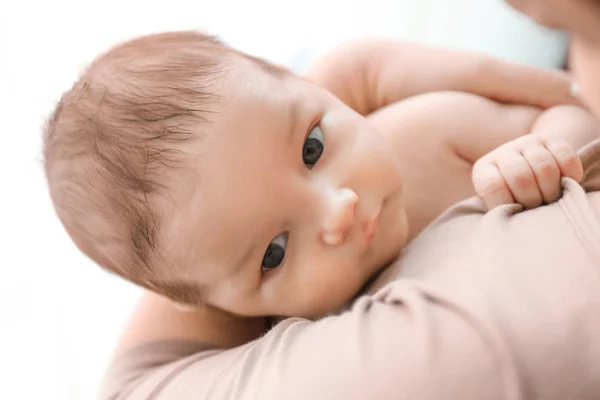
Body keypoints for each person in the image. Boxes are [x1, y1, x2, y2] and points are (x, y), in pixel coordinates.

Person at [45, 32, 583, 321]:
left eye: (312, 147)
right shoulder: (293, 350)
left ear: (310, 86)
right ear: (217, 304)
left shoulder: (430, 133)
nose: (338, 207)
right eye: (274, 253)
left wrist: (535, 151)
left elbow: (575, 111)